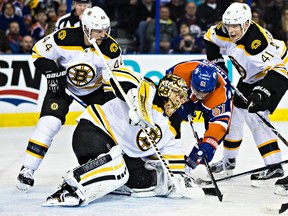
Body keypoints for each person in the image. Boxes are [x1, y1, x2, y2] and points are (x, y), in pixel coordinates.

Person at [42, 70, 204, 207]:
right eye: (179, 95)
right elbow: (113, 74)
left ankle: (106, 183)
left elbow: (172, 154)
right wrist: (135, 98)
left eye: (183, 98)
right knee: (118, 169)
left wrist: (178, 178)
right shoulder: (147, 90)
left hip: (116, 150)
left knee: (145, 182)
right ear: (167, 91)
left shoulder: (168, 125)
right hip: (93, 132)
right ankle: (71, 188)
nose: (181, 101)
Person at [16, 6, 124, 192]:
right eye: (98, 31)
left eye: (105, 30)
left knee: (110, 127)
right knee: (49, 123)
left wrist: (108, 106)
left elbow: (112, 80)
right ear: (86, 29)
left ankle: (106, 170)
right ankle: (27, 170)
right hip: (63, 86)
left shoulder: (111, 49)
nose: (102, 34)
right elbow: (38, 52)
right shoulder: (64, 37)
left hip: (95, 91)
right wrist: (53, 74)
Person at [203, 2, 288, 187]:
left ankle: (274, 165)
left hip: (276, 71)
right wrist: (218, 64)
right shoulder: (222, 31)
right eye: (228, 25)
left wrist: (261, 93)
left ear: (247, 24)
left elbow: (279, 71)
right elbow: (209, 38)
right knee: (233, 117)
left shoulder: (257, 42)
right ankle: (229, 161)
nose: (231, 30)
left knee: (256, 117)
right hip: (250, 76)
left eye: (235, 26)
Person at [165, 59, 232, 169]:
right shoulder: (180, 72)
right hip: (186, 93)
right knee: (172, 115)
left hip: (210, 102)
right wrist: (183, 101)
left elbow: (219, 127)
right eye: (197, 91)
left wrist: (208, 145)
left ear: (213, 88)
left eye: (203, 93)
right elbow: (166, 88)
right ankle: (167, 148)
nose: (199, 96)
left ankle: (189, 166)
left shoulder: (221, 96)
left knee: (208, 147)